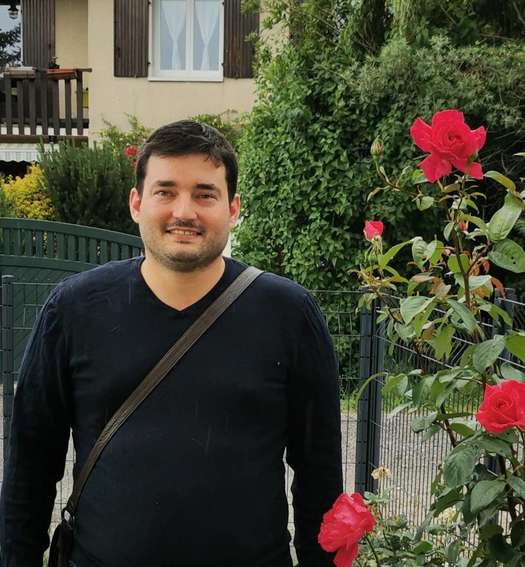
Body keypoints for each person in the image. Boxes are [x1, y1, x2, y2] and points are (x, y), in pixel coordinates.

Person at [0, 121, 343, 567]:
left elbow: (319, 480)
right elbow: (29, 471)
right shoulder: (73, 311)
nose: (185, 211)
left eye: (205, 194)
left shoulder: (289, 315)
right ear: (136, 203)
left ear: (233, 208)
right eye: (165, 192)